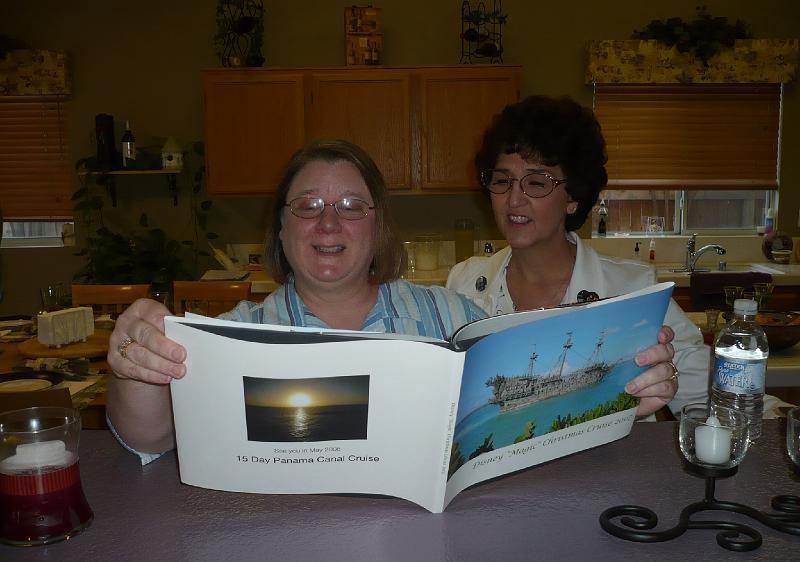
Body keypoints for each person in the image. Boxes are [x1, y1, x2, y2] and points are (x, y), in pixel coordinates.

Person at [107, 140, 485, 462]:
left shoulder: (455, 318)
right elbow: (149, 439)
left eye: (352, 206)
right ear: (282, 228)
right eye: (309, 205)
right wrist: (136, 364)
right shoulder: (229, 338)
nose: (329, 223)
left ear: (378, 226)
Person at [447, 95, 707, 418]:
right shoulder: (463, 284)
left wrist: (668, 380)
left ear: (573, 197)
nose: (514, 200)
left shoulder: (634, 289)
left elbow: (716, 394)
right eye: (503, 181)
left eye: (536, 182)